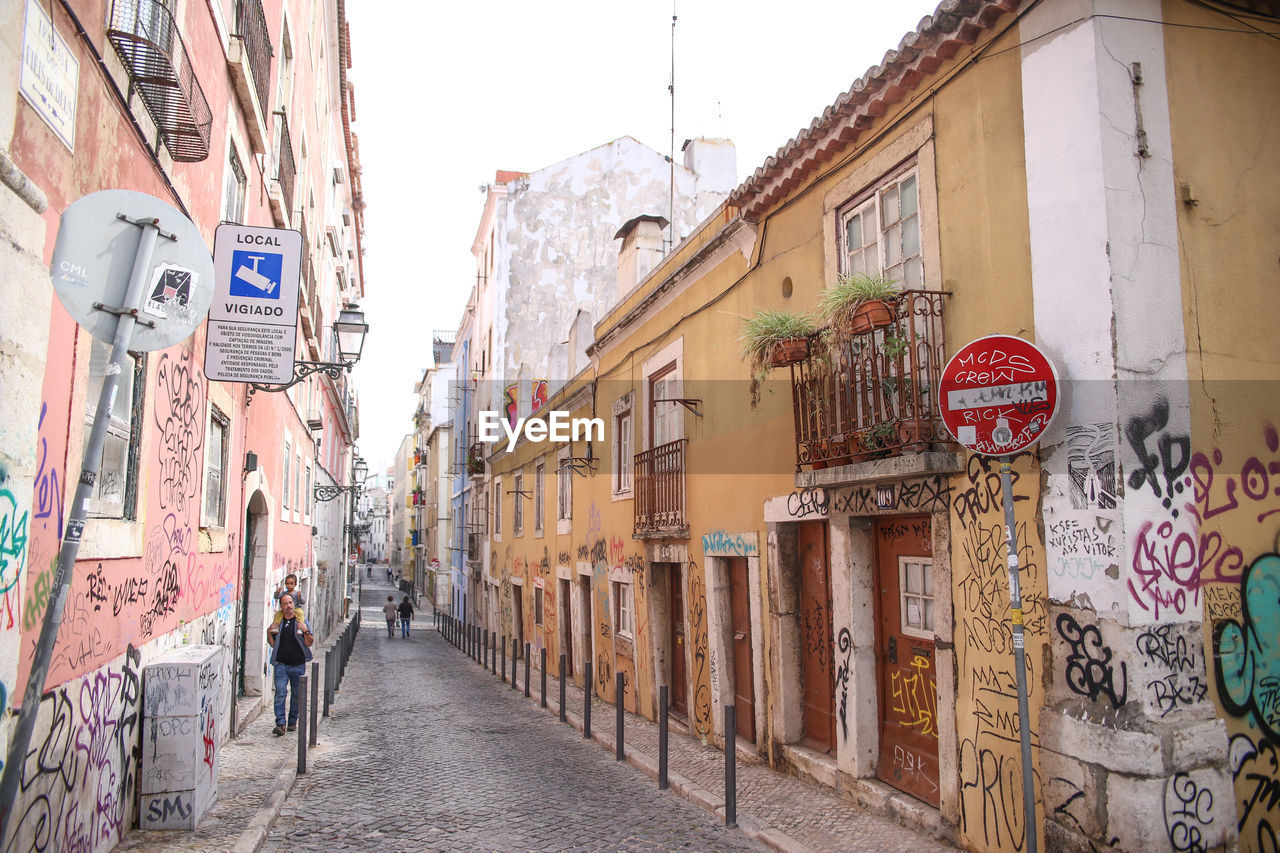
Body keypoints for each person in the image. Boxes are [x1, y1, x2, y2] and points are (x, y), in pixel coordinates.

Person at [267, 593, 313, 735]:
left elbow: (309, 642)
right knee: (280, 692)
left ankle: (293, 720)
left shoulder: (301, 620)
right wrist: (269, 632)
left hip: (298, 664)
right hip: (281, 664)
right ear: (281, 606)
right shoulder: (278, 622)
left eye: (290, 603)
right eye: (285, 603)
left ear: (294, 604)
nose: (289, 606)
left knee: (296, 694)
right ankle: (280, 723)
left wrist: (305, 630)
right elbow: (272, 643)